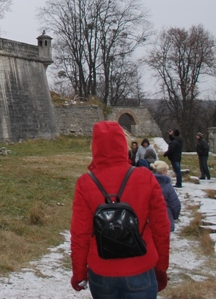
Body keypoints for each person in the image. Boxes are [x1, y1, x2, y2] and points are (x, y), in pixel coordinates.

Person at [70, 121, 170, 297]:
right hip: (140, 267)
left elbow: (80, 234)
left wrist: (79, 272)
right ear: (123, 145)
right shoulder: (145, 177)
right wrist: (161, 266)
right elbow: (161, 226)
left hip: (102, 271)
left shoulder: (85, 183)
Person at [151, 161, 181, 231]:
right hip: (166, 218)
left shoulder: (148, 183)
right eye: (166, 171)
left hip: (150, 220)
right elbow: (175, 205)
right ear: (162, 171)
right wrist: (174, 216)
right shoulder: (167, 186)